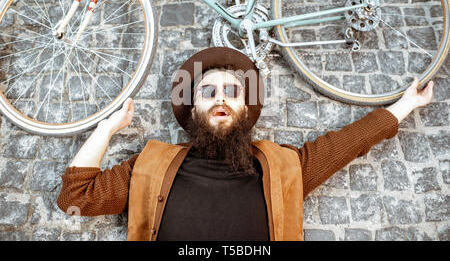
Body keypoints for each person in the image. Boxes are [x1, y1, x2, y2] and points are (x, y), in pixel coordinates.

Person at [57, 47, 434, 241]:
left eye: (231, 91)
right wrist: (107, 128)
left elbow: (349, 143)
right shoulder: (151, 164)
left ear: (245, 108)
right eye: (208, 92)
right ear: (193, 110)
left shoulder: (283, 165)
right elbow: (76, 198)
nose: (220, 98)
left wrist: (406, 104)